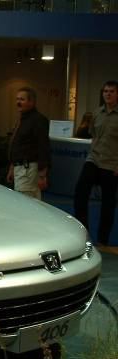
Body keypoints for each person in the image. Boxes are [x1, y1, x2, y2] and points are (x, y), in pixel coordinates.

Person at [74, 80, 118, 246]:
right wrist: (91, 154)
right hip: (93, 159)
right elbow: (93, 137)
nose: (107, 94)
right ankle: (83, 233)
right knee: (80, 193)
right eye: (105, 91)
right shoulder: (97, 113)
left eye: (111, 91)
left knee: (108, 203)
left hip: (111, 163)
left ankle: (103, 240)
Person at [6, 87, 50, 200]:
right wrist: (12, 167)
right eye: (17, 99)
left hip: (28, 170)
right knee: (29, 203)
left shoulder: (38, 120)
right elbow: (18, 146)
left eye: (22, 99)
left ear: (31, 102)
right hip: (19, 168)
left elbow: (43, 148)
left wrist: (42, 175)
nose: (18, 102)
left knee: (24, 203)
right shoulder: (22, 119)